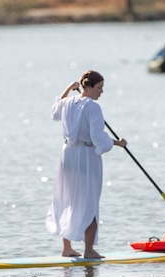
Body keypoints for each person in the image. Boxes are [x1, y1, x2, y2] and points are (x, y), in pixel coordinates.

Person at [45, 70, 127, 258]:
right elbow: (97, 137)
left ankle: (67, 248)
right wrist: (117, 143)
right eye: (99, 88)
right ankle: (88, 250)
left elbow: (55, 112)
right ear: (88, 87)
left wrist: (67, 89)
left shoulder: (67, 103)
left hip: (68, 155)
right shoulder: (93, 107)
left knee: (68, 199)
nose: (101, 92)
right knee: (90, 201)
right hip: (86, 156)